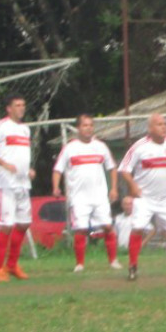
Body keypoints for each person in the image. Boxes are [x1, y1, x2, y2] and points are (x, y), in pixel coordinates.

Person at [118, 113, 166, 280]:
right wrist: (133, 186)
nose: (164, 127)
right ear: (150, 128)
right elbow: (124, 169)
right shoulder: (139, 147)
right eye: (159, 124)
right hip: (145, 198)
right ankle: (132, 267)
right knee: (137, 229)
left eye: (165, 124)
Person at [52, 114, 120, 273]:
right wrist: (56, 187)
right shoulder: (70, 148)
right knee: (81, 229)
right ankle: (80, 264)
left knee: (108, 226)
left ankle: (113, 260)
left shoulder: (100, 146)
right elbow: (57, 169)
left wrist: (114, 188)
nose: (88, 128)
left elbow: (112, 167)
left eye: (91, 125)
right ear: (78, 128)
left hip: (99, 196)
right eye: (85, 125)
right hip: (79, 198)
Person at [0, 95, 37, 282]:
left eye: (23, 105)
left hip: (22, 184)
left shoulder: (25, 129)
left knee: (24, 223)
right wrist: (4, 163)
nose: (21, 108)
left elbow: (19, 155)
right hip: (5, 184)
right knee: (5, 225)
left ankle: (12, 265)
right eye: (17, 105)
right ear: (8, 108)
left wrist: (27, 169)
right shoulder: (1, 126)